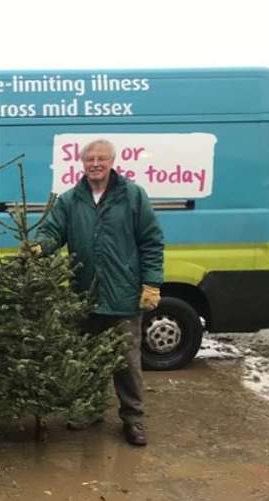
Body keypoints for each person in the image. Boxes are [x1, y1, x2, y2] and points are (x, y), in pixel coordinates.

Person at [30, 138, 164, 446]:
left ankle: (134, 419)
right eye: (90, 159)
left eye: (101, 159)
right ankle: (90, 411)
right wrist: (40, 247)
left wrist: (151, 283)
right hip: (84, 295)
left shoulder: (132, 196)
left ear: (112, 161)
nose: (95, 164)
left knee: (127, 362)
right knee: (87, 359)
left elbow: (151, 241)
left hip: (124, 296)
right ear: (82, 163)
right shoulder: (71, 200)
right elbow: (52, 231)